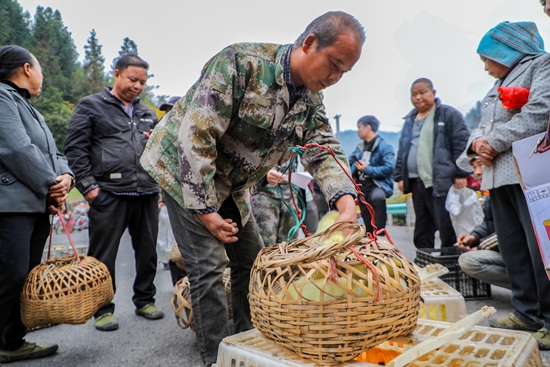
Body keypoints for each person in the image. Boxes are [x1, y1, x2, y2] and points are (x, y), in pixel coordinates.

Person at [140, 11, 364, 366]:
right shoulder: (241, 64)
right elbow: (196, 135)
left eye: (344, 73)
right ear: (309, 44)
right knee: (209, 268)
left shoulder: (310, 99)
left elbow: (323, 148)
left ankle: (249, 342)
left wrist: (345, 199)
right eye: (333, 65)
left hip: (231, 182)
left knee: (254, 263)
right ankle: (217, 356)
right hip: (184, 172)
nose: (335, 78)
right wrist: (204, 210)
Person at [465, 21, 550, 350]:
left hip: (529, 174)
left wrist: (493, 143)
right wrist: (477, 146)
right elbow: (480, 128)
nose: (485, 66)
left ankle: (547, 320)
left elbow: (540, 112)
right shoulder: (497, 84)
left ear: (505, 50)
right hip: (498, 178)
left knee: (539, 250)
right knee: (515, 251)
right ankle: (525, 311)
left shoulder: (540, 65)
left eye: (487, 58)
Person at [64, 54, 164, 332]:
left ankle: (145, 299)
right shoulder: (91, 106)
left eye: (143, 82)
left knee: (147, 252)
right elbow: (74, 149)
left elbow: (159, 152)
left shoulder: (148, 113)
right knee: (103, 255)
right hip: (108, 193)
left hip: (146, 193)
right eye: (133, 79)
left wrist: (160, 192)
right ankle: (102, 309)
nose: (138, 86)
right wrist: (90, 189)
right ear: (117, 74)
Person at [0, 45, 73, 363]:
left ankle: (12, 341)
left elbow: (53, 153)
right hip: (11, 205)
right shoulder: (2, 97)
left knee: (25, 275)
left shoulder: (29, 107)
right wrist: (50, 185)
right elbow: (16, 149)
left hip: (35, 204)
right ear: (27, 69)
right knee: (11, 273)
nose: (42, 76)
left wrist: (66, 177)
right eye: (40, 69)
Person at [394, 78, 470, 249]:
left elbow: (461, 144)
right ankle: (425, 264)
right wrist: (400, 176)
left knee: (445, 224)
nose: (417, 97)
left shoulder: (448, 115)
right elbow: (403, 150)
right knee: (422, 227)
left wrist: (461, 173)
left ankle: (450, 263)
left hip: (442, 181)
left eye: (422, 92)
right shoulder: (410, 120)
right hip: (416, 182)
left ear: (433, 93)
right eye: (413, 94)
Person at [457, 156, 510, 289]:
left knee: (469, 261)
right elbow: (490, 223)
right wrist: (473, 237)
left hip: (524, 254)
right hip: (508, 252)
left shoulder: (509, 190)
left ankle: (531, 291)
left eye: (481, 165)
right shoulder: (492, 191)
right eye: (474, 167)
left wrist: (480, 247)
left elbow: (510, 232)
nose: (477, 172)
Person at [157, 96, 188, 284]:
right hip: (171, 198)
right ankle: (179, 286)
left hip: (192, 199)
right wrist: (161, 199)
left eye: (173, 109)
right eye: (167, 111)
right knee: (175, 246)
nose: (170, 114)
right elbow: (161, 171)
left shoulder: (192, 132)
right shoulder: (163, 136)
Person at [349, 115, 395, 234]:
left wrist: (367, 169)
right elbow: (349, 163)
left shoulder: (385, 147)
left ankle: (380, 232)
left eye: (359, 127)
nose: (357, 130)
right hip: (361, 187)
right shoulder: (359, 148)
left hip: (378, 185)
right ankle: (369, 235)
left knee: (378, 198)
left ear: (368, 127)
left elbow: (389, 168)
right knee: (365, 214)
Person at [252, 165, 301, 247]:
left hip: (290, 194)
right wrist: (263, 173)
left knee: (290, 246)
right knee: (265, 247)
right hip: (264, 195)